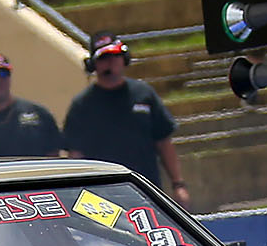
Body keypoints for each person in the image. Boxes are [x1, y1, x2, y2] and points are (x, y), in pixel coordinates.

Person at [62, 33, 191, 204]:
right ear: (93, 64)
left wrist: (178, 184)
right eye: (104, 58)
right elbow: (75, 155)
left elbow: (164, 142)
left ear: (125, 59)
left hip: (147, 190)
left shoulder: (144, 94)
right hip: (102, 196)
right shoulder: (82, 105)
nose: (111, 62)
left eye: (115, 56)